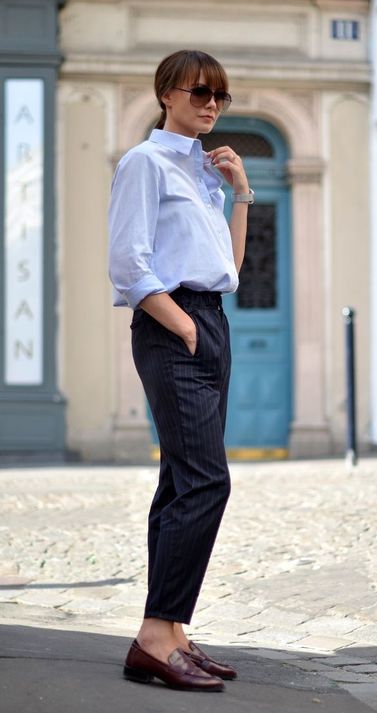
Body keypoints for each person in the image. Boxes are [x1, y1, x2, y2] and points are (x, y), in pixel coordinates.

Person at [108, 49, 253, 692]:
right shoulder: (144, 162)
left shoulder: (204, 173)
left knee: (179, 483)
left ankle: (172, 634)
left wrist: (241, 192)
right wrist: (187, 328)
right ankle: (154, 635)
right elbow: (129, 265)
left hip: (210, 318)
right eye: (199, 92)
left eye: (219, 95)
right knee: (205, 482)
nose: (211, 104)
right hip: (175, 326)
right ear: (167, 92)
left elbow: (229, 267)